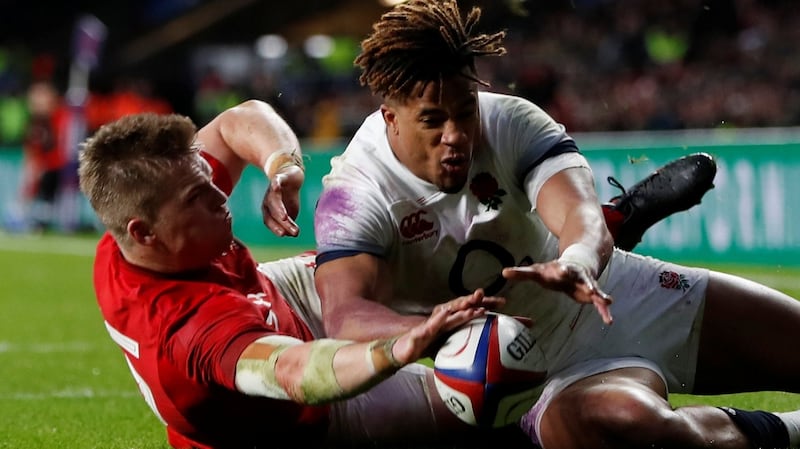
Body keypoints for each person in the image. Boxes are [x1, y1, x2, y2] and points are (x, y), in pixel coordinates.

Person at [312, 1, 800, 449]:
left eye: (465, 111)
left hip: (609, 293)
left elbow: (578, 214)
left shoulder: (511, 122)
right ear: (390, 118)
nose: (456, 135)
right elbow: (345, 315)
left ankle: (623, 217)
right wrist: (431, 328)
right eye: (433, 120)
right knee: (639, 424)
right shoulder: (356, 192)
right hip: (527, 371)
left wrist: (578, 260)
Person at [77, 100, 536, 449]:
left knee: (382, 255)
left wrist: (283, 166)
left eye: (209, 179)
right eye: (198, 196)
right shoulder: (189, 326)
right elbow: (299, 373)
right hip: (294, 415)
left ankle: (530, 274)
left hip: (272, 295)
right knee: (480, 399)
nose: (221, 194)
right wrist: (404, 344)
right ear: (146, 233)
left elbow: (243, 118)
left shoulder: (143, 229)